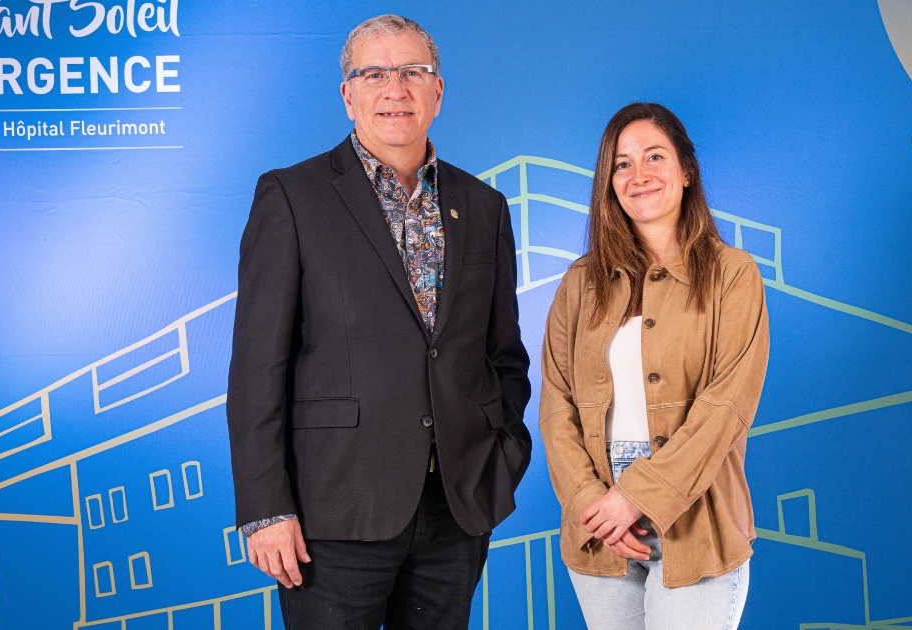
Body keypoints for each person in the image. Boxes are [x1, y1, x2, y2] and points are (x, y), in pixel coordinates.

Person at [225, 14, 532, 630]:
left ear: (437, 92)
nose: (395, 89)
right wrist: (265, 508)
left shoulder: (483, 206)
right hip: (332, 512)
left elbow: (503, 355)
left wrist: (502, 456)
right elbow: (258, 369)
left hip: (455, 509)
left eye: (413, 72)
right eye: (374, 73)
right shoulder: (291, 196)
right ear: (349, 95)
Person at [539, 102, 769, 629]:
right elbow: (557, 406)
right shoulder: (579, 284)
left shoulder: (734, 275)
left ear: (686, 171)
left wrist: (635, 497)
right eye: (621, 164)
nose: (638, 175)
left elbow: (726, 408)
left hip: (699, 513)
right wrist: (591, 503)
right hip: (599, 522)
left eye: (654, 157)